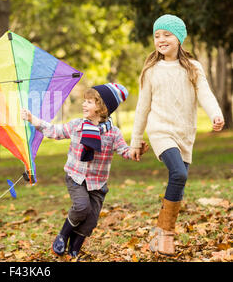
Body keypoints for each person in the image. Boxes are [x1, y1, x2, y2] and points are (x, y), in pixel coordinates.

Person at [129, 14, 224, 256]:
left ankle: (160, 232)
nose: (161, 39)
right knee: (178, 173)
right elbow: (142, 107)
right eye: (157, 35)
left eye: (166, 34)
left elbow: (205, 93)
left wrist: (215, 113)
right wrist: (135, 140)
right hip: (160, 130)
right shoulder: (151, 70)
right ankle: (167, 236)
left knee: (179, 182)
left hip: (185, 133)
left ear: (179, 38)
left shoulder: (193, 67)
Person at [22, 83, 148, 258]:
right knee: (81, 207)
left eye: (89, 102)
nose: (84, 104)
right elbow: (54, 131)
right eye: (85, 101)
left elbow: (125, 151)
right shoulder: (77, 125)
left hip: (98, 183)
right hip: (76, 176)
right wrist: (32, 119)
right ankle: (62, 236)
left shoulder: (113, 133)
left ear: (102, 107)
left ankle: (74, 249)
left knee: (91, 220)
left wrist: (137, 151)